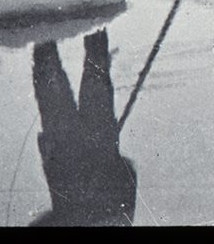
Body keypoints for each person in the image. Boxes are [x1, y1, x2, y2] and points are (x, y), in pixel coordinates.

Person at [28, 30, 137, 225]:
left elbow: (129, 175)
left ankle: (56, 20)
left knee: (94, 70)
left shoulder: (121, 222)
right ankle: (48, 23)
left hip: (93, 147)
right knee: (51, 74)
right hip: (68, 156)